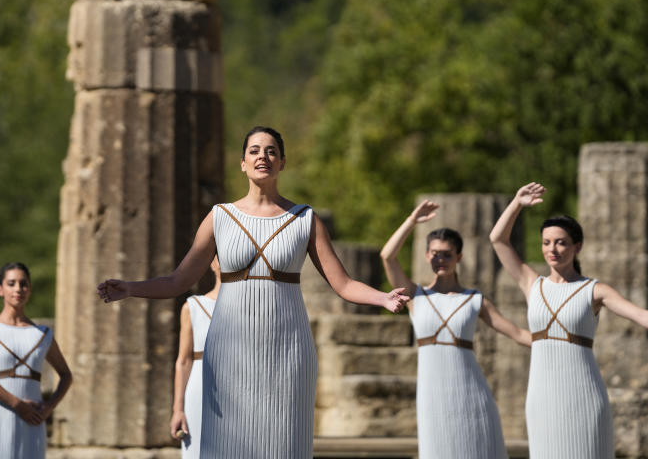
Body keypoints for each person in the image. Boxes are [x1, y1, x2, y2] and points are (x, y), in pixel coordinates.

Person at [98, 126, 410, 459]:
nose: (264, 156)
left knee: (283, 442)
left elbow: (343, 283)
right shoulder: (220, 217)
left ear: (282, 163)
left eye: (272, 151)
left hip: (287, 350)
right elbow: (178, 280)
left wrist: (383, 297)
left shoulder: (305, 219)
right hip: (228, 350)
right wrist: (131, 288)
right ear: (243, 164)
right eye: (255, 151)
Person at [490, 182, 648, 459]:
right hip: (541, 396)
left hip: (582, 393)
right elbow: (498, 239)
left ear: (576, 247)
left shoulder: (593, 290)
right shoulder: (531, 284)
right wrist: (517, 204)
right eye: (546, 242)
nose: (552, 249)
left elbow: (641, 315)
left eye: (561, 242)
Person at [380, 200, 529, 459]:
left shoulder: (474, 299)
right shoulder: (415, 295)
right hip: (433, 395)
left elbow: (517, 333)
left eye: (447, 254)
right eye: (435, 253)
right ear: (427, 255)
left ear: (458, 257)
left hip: (472, 392)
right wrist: (412, 221)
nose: (440, 259)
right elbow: (387, 256)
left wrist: (558, 340)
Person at [0, 262, 73, 459]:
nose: (18, 289)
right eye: (11, 283)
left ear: (30, 289)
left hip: (33, 419)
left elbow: (66, 375)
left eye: (23, 284)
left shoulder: (42, 334)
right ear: (0, 289)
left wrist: (48, 408)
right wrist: (18, 405)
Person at [170, 256, 221, 458]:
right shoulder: (192, 306)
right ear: (211, 263)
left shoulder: (250, 307)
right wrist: (178, 409)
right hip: (199, 389)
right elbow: (183, 361)